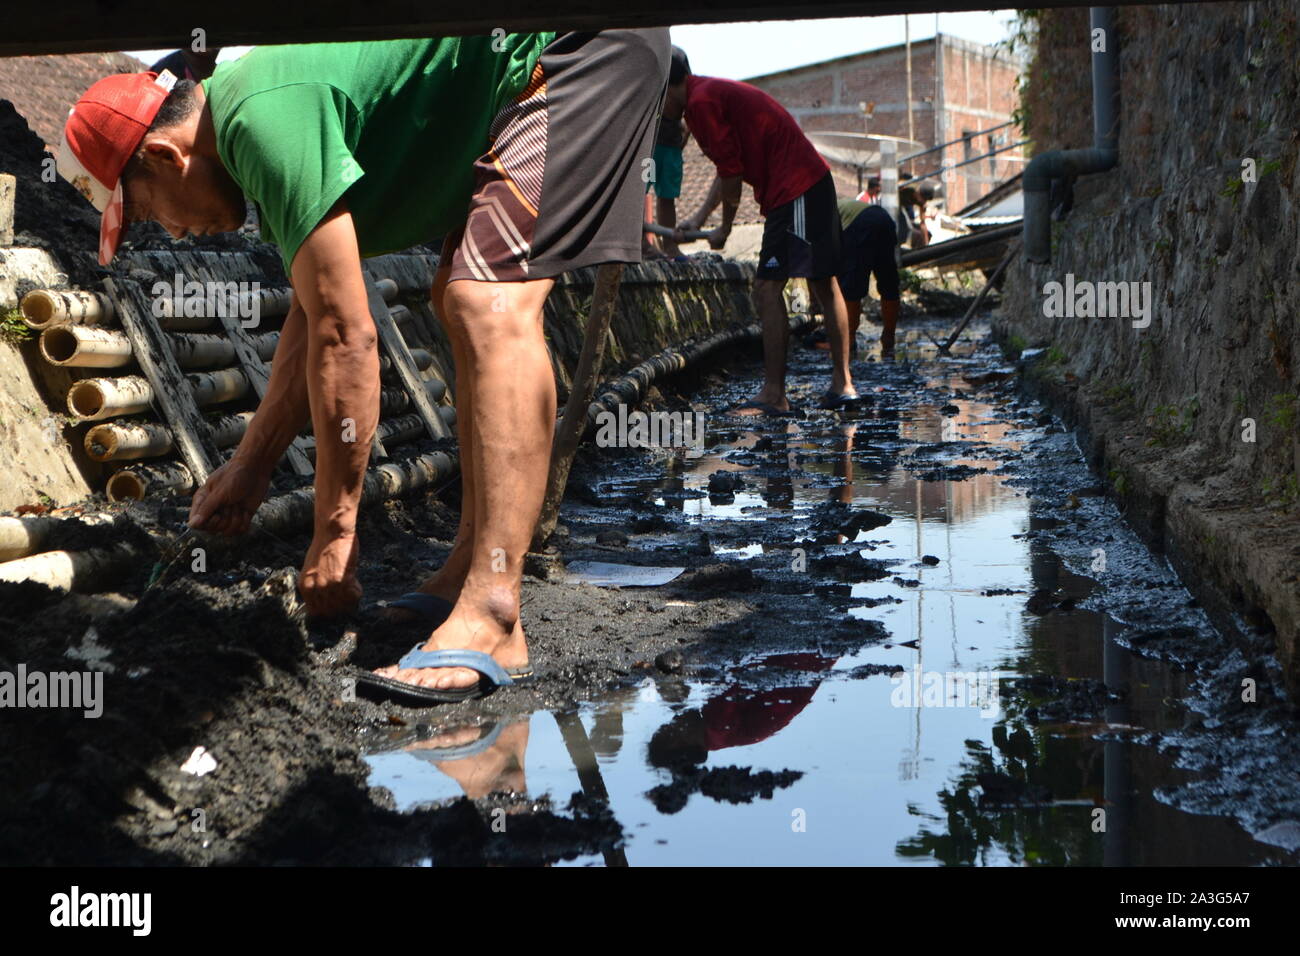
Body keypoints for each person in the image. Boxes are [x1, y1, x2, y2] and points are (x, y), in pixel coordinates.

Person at [58, 31, 670, 703]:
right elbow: (318, 316)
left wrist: (336, 532)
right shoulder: (252, 127)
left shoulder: (262, 122)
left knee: (487, 302)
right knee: (457, 296)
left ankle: (494, 610)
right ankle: (467, 569)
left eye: (147, 211)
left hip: (576, 50)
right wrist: (252, 465)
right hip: (527, 79)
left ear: (163, 154)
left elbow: (350, 341)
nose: (171, 232)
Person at [663, 49, 857, 414]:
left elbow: (731, 173)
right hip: (807, 183)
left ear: (663, 87)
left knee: (768, 287)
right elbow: (727, 166)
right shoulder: (706, 93)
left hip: (795, 188)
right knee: (822, 282)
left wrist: (723, 227)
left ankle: (775, 393)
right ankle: (841, 384)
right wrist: (701, 219)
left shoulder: (700, 104)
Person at [837, 197, 902, 357]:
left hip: (860, 223)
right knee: (889, 281)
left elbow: (819, 268)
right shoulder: (837, 206)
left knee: (852, 286)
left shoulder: (815, 218)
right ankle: (889, 338)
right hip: (883, 217)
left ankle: (849, 340)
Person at [651, 47, 691, 259]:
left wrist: (684, 135)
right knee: (640, 192)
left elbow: (687, 96)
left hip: (671, 144)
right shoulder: (647, 55)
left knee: (668, 195)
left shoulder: (677, 56)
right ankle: (641, 244)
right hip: (649, 145)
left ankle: (669, 247)